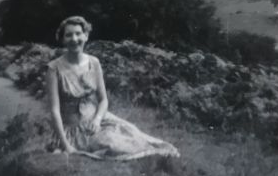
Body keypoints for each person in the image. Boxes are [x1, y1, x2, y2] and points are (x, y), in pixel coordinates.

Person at [46, 15, 180, 160]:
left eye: (78, 33)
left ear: (86, 36)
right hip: (74, 128)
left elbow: (103, 100)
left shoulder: (94, 62)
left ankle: (159, 155)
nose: (74, 39)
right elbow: (54, 110)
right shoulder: (54, 69)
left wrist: (97, 120)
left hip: (98, 119)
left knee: (132, 132)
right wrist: (66, 146)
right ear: (63, 39)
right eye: (69, 35)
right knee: (112, 144)